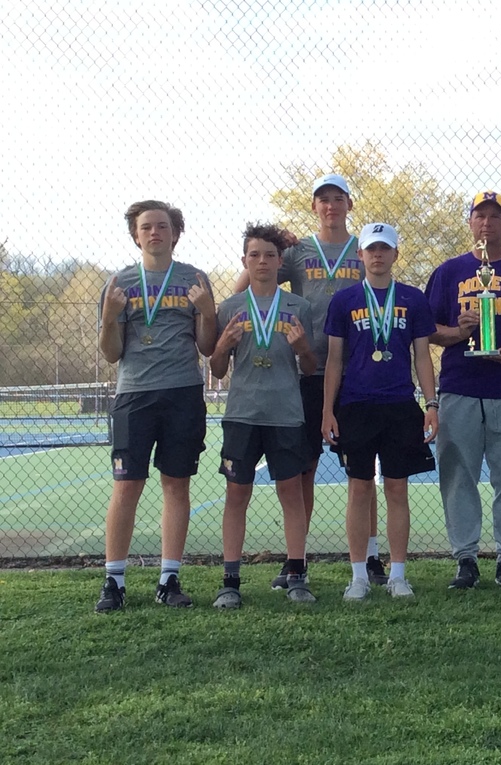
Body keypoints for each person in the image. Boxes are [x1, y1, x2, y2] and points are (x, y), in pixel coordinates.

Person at [234, 173, 386, 589]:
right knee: (303, 469)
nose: (331, 206)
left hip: (354, 372)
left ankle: (371, 556)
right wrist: (272, 251)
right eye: (324, 199)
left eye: (338, 198)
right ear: (314, 207)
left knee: (361, 470)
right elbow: (246, 289)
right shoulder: (297, 251)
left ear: (349, 206)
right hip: (303, 372)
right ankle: (295, 559)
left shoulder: (365, 249)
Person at [95, 200, 217, 612]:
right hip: (134, 395)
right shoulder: (118, 284)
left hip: (183, 392)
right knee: (127, 485)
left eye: (162, 226)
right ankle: (113, 581)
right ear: (135, 235)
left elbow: (206, 346)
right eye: (146, 227)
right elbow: (112, 354)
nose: (154, 233)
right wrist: (110, 318)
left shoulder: (195, 279)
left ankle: (169, 578)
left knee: (176, 484)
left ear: (175, 233)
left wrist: (206, 312)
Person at [425, 191, 501, 590]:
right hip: (460, 387)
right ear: (470, 222)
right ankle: (465, 558)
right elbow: (430, 332)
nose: (487, 223)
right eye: (480, 216)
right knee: (458, 474)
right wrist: (461, 332)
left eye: (495, 216)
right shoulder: (448, 272)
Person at [322, 223, 439, 600]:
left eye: (384, 249)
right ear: (361, 255)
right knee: (358, 489)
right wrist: (328, 410)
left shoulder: (413, 299)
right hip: (355, 406)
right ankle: (358, 575)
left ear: (395, 255)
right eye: (371, 249)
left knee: (397, 489)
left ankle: (399, 574)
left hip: (400, 405)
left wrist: (431, 403)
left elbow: (422, 356)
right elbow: (334, 360)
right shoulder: (344, 301)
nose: (377, 255)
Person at [210, 223, 319, 608]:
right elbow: (219, 369)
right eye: (254, 255)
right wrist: (222, 345)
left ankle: (297, 575)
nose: (262, 262)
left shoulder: (298, 307)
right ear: (244, 260)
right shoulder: (229, 308)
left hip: (286, 414)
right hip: (242, 414)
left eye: (270, 255)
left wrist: (304, 348)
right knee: (236, 494)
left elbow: (309, 367)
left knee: (291, 493)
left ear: (279, 262)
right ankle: (230, 580)